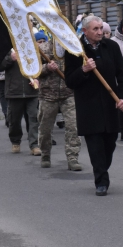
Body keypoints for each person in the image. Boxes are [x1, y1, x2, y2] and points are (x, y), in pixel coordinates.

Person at [65, 16, 123, 196]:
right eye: (95, 29)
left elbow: (122, 75)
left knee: (109, 144)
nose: (100, 32)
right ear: (85, 31)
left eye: (101, 28)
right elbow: (70, 80)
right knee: (95, 146)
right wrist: (83, 70)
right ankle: (101, 180)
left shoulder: (112, 47)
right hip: (89, 106)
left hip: (111, 104)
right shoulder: (75, 50)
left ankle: (103, 169)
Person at [35, 31, 82, 171]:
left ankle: (73, 157)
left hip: (69, 93)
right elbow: (34, 71)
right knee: (45, 128)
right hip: (48, 95)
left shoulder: (72, 50)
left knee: (73, 126)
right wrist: (47, 68)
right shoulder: (43, 49)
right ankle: (45, 154)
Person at [0, 49, 41, 156]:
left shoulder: (31, 47)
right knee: (14, 119)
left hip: (31, 91)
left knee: (34, 118)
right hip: (14, 91)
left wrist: (37, 79)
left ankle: (34, 145)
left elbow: (40, 66)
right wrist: (10, 58)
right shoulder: (8, 49)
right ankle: (15, 141)